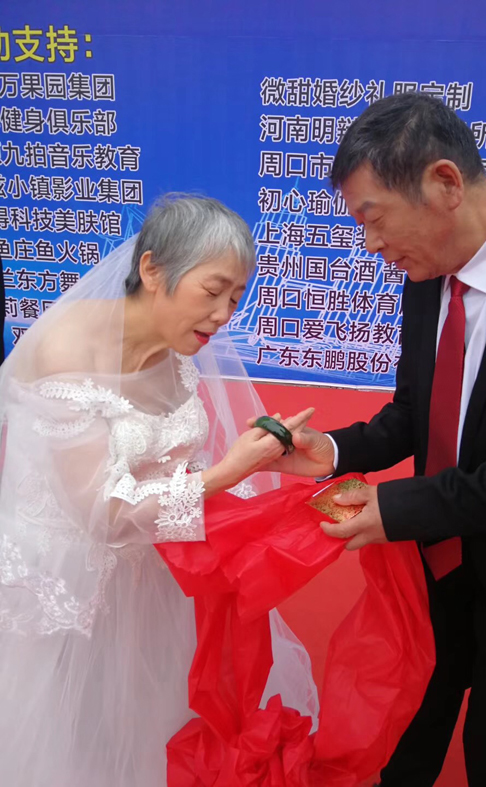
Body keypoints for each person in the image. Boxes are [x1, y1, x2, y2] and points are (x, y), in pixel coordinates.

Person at [269, 93, 486, 787]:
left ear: (445, 182)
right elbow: (417, 411)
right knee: (406, 735)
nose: (370, 245)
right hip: (436, 569)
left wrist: (403, 507)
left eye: (373, 218)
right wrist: (335, 450)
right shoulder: (426, 272)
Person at [0, 194, 318, 787]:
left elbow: (172, 468)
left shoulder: (177, 350)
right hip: (70, 584)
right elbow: (103, 513)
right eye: (213, 291)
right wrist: (227, 472)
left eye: (235, 298)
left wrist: (258, 461)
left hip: (152, 572)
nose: (223, 315)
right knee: (72, 739)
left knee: (152, 731)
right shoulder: (68, 350)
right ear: (152, 269)